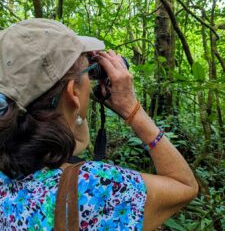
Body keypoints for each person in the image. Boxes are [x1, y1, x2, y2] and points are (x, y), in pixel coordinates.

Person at [0, 18, 198, 231]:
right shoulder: (94, 188)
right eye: (89, 73)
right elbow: (185, 186)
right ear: (73, 93)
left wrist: (79, 75)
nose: (92, 78)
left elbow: (71, 139)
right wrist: (132, 110)